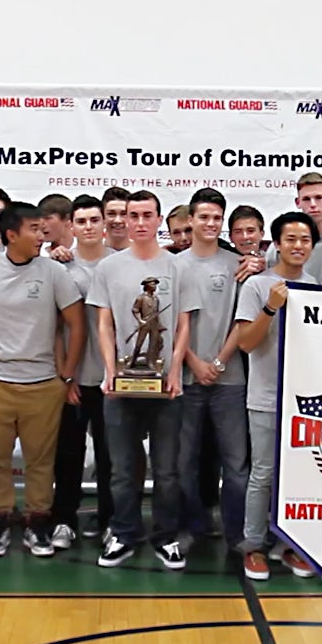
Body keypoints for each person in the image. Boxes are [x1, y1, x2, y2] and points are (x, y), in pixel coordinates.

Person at [89, 190, 200, 569]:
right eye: (132, 215)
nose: (138, 222)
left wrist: (174, 370)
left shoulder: (179, 267)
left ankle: (166, 536)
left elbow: (184, 323)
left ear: (157, 220)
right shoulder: (109, 268)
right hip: (122, 387)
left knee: (167, 470)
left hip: (166, 388)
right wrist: (109, 371)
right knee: (122, 469)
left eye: (146, 215)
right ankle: (123, 532)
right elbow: (104, 322)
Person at [0, 202, 85, 558]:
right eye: (34, 229)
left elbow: (76, 323)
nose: (41, 235)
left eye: (42, 228)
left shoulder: (54, 273)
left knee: (40, 460)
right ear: (11, 235)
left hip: (42, 382)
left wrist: (66, 373)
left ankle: (38, 525)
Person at [235, 211, 319, 581]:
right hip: (267, 396)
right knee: (264, 473)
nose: (298, 246)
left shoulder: (316, 285)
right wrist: (271, 307)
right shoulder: (257, 286)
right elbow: (246, 342)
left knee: (301, 474)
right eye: (291, 239)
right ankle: (254, 546)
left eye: (304, 240)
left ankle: (293, 544)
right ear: (277, 244)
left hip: (308, 399)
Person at [176, 188, 249, 547]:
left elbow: (244, 320)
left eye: (216, 218)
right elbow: (169, 325)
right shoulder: (172, 265)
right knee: (183, 462)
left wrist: (218, 362)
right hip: (186, 380)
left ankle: (238, 534)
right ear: (190, 220)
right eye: (203, 217)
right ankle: (193, 526)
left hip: (230, 380)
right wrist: (193, 361)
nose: (210, 223)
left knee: (235, 466)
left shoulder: (236, 264)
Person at [51, 195, 117, 541]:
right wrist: (66, 374)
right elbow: (54, 328)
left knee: (111, 457)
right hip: (74, 378)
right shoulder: (59, 267)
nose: (89, 227)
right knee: (68, 454)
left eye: (95, 220)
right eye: (82, 221)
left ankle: (109, 522)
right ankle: (63, 519)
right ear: (71, 226)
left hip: (111, 379)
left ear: (105, 224)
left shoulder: (122, 265)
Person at [265, 173, 322, 280]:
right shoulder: (277, 248)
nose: (313, 204)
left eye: (318, 197)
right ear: (298, 202)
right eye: (306, 199)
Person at [102, 186, 132, 251]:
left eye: (124, 214)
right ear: (103, 217)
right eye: (111, 214)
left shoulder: (146, 254)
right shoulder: (91, 254)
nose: (118, 220)